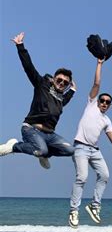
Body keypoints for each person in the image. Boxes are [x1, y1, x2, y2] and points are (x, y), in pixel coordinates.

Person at [68, 59, 112, 228]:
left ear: (109, 106)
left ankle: (94, 206)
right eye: (102, 100)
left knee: (104, 175)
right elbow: (97, 83)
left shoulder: (107, 120)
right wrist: (100, 64)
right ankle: (74, 211)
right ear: (97, 101)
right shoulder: (91, 105)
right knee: (82, 177)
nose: (103, 103)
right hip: (80, 147)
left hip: (95, 150)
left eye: (107, 102)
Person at [0, 32, 75, 167]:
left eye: (65, 83)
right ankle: (14, 146)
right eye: (59, 80)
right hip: (31, 129)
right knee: (41, 150)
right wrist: (20, 46)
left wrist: (73, 90)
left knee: (70, 150)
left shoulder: (61, 99)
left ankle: (44, 153)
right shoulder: (42, 85)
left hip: (49, 135)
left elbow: (66, 100)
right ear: (53, 79)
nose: (62, 83)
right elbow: (29, 68)